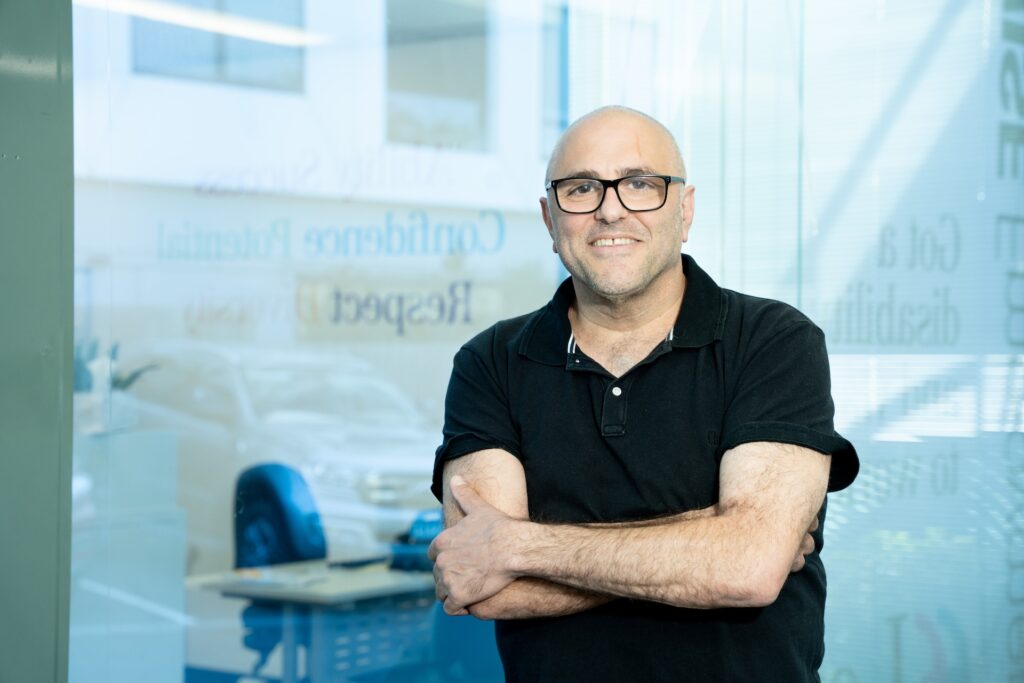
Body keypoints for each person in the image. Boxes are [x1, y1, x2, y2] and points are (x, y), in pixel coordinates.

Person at [428, 105, 859, 682]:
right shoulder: (491, 362)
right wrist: (714, 536)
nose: (610, 209)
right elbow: (482, 585)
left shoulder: (773, 341)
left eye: (639, 184)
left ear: (685, 210)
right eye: (580, 188)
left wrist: (515, 545)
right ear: (550, 219)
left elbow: (750, 569)